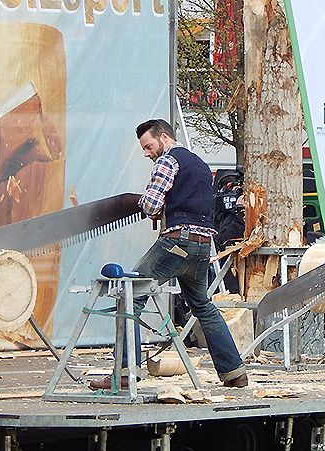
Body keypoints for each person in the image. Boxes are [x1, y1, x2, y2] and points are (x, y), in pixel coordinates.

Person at [90, 119, 247, 389]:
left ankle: (125, 375)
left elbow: (151, 205)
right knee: (203, 306)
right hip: (201, 246)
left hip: (177, 243)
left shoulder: (167, 161)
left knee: (130, 295)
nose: (148, 153)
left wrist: (139, 202)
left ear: (164, 138)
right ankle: (235, 373)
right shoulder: (199, 164)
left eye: (149, 146)